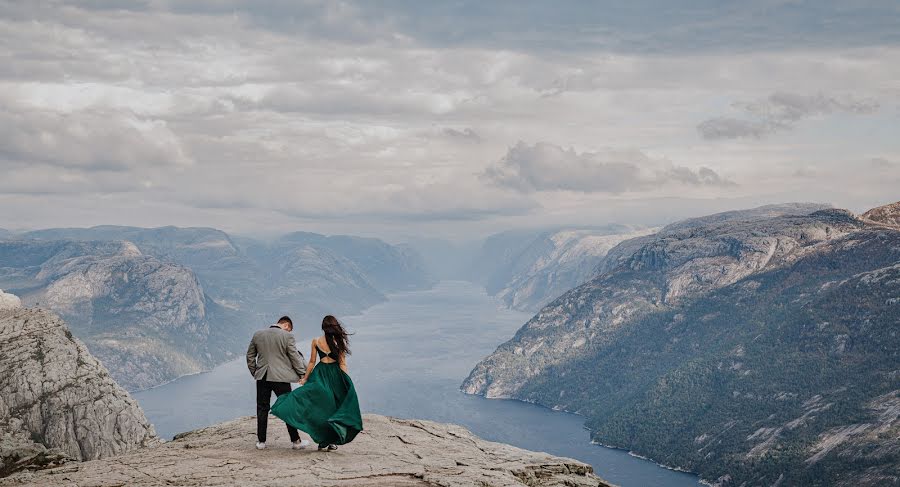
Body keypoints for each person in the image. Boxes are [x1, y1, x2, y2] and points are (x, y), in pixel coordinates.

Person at [271, 315, 363, 451]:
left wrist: (305, 378)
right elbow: (342, 364)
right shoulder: (339, 341)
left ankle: (323, 440)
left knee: (319, 407)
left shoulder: (316, 341)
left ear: (323, 328)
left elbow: (312, 362)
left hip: (319, 374)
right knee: (332, 409)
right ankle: (329, 441)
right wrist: (346, 381)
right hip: (335, 375)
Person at [246, 316, 310, 450]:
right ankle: (296, 441)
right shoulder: (287, 337)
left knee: (262, 408)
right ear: (286, 325)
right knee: (288, 407)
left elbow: (250, 356)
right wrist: (302, 375)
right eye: (289, 329)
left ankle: (261, 442)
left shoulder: (258, 334)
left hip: (262, 377)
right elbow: (295, 357)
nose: (289, 332)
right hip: (281, 378)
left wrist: (255, 372)